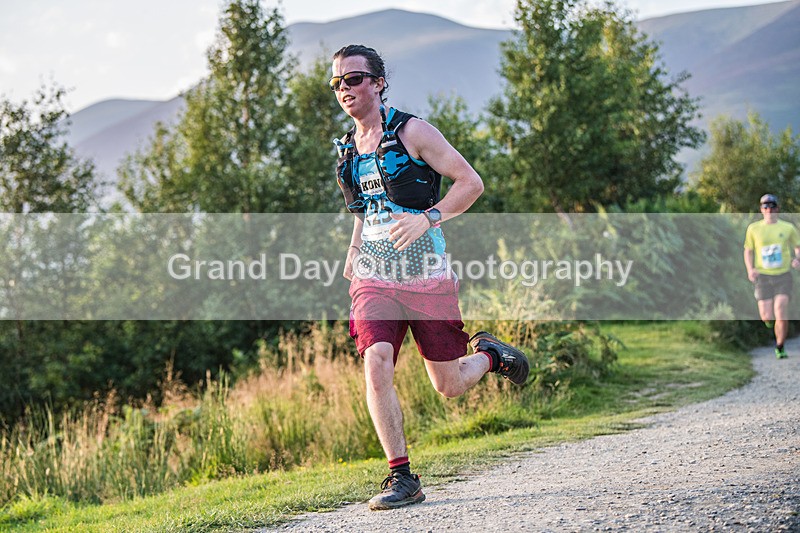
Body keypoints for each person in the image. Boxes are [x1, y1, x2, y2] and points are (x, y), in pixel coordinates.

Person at [329, 44, 530, 510]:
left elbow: (471, 183)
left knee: (448, 384)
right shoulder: (346, 148)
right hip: (374, 275)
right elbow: (363, 210)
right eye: (337, 82)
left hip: (426, 274)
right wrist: (354, 250)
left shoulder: (413, 131)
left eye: (354, 79)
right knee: (376, 360)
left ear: (378, 83)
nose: (345, 89)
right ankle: (402, 477)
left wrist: (430, 217)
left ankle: (491, 356)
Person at [743, 193, 800, 359]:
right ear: (761, 209)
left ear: (777, 208)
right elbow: (748, 251)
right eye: (765, 206)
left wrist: (797, 259)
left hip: (783, 275)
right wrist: (750, 269)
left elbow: (797, 247)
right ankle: (769, 321)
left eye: (772, 206)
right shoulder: (753, 229)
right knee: (766, 315)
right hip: (763, 276)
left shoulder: (788, 228)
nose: (769, 210)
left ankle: (780, 346)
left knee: (781, 308)